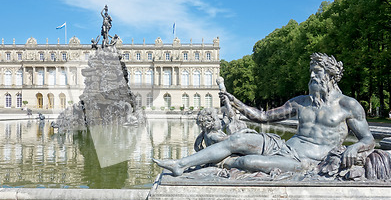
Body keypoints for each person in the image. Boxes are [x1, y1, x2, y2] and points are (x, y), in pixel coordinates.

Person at [154, 53, 375, 176]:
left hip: (307, 161)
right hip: (282, 146)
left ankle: (218, 163)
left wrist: (355, 146)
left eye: (316, 73)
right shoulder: (300, 102)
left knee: (248, 161)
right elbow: (263, 117)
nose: (311, 77)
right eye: (311, 73)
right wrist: (236, 103)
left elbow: (368, 138)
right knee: (237, 138)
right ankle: (180, 164)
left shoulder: (348, 105)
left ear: (330, 76)